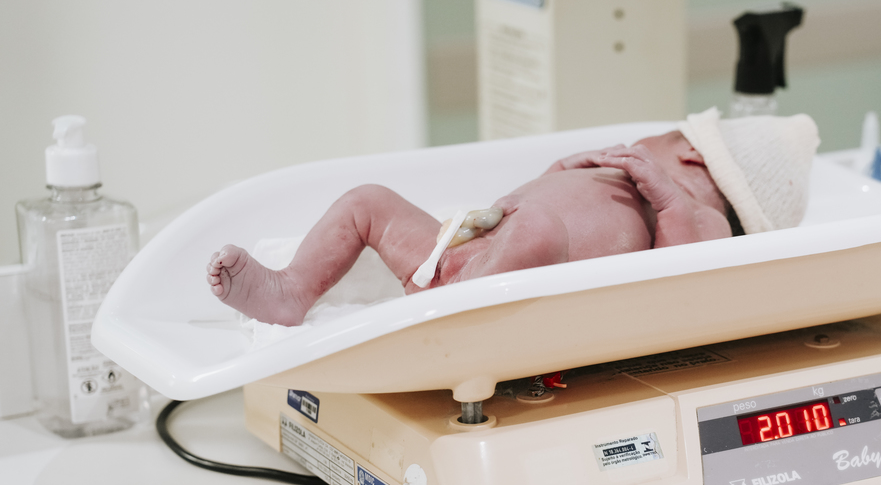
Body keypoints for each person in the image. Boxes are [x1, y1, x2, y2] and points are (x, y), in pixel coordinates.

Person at [206, 108, 818, 326]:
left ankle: (459, 303)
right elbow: (541, 195)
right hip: (461, 251)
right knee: (369, 201)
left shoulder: (705, 219)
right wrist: (562, 169)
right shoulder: (617, 177)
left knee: (538, 228)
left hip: (518, 272)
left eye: (663, 135)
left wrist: (666, 196)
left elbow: (678, 269)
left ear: (691, 155)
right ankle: (292, 288)